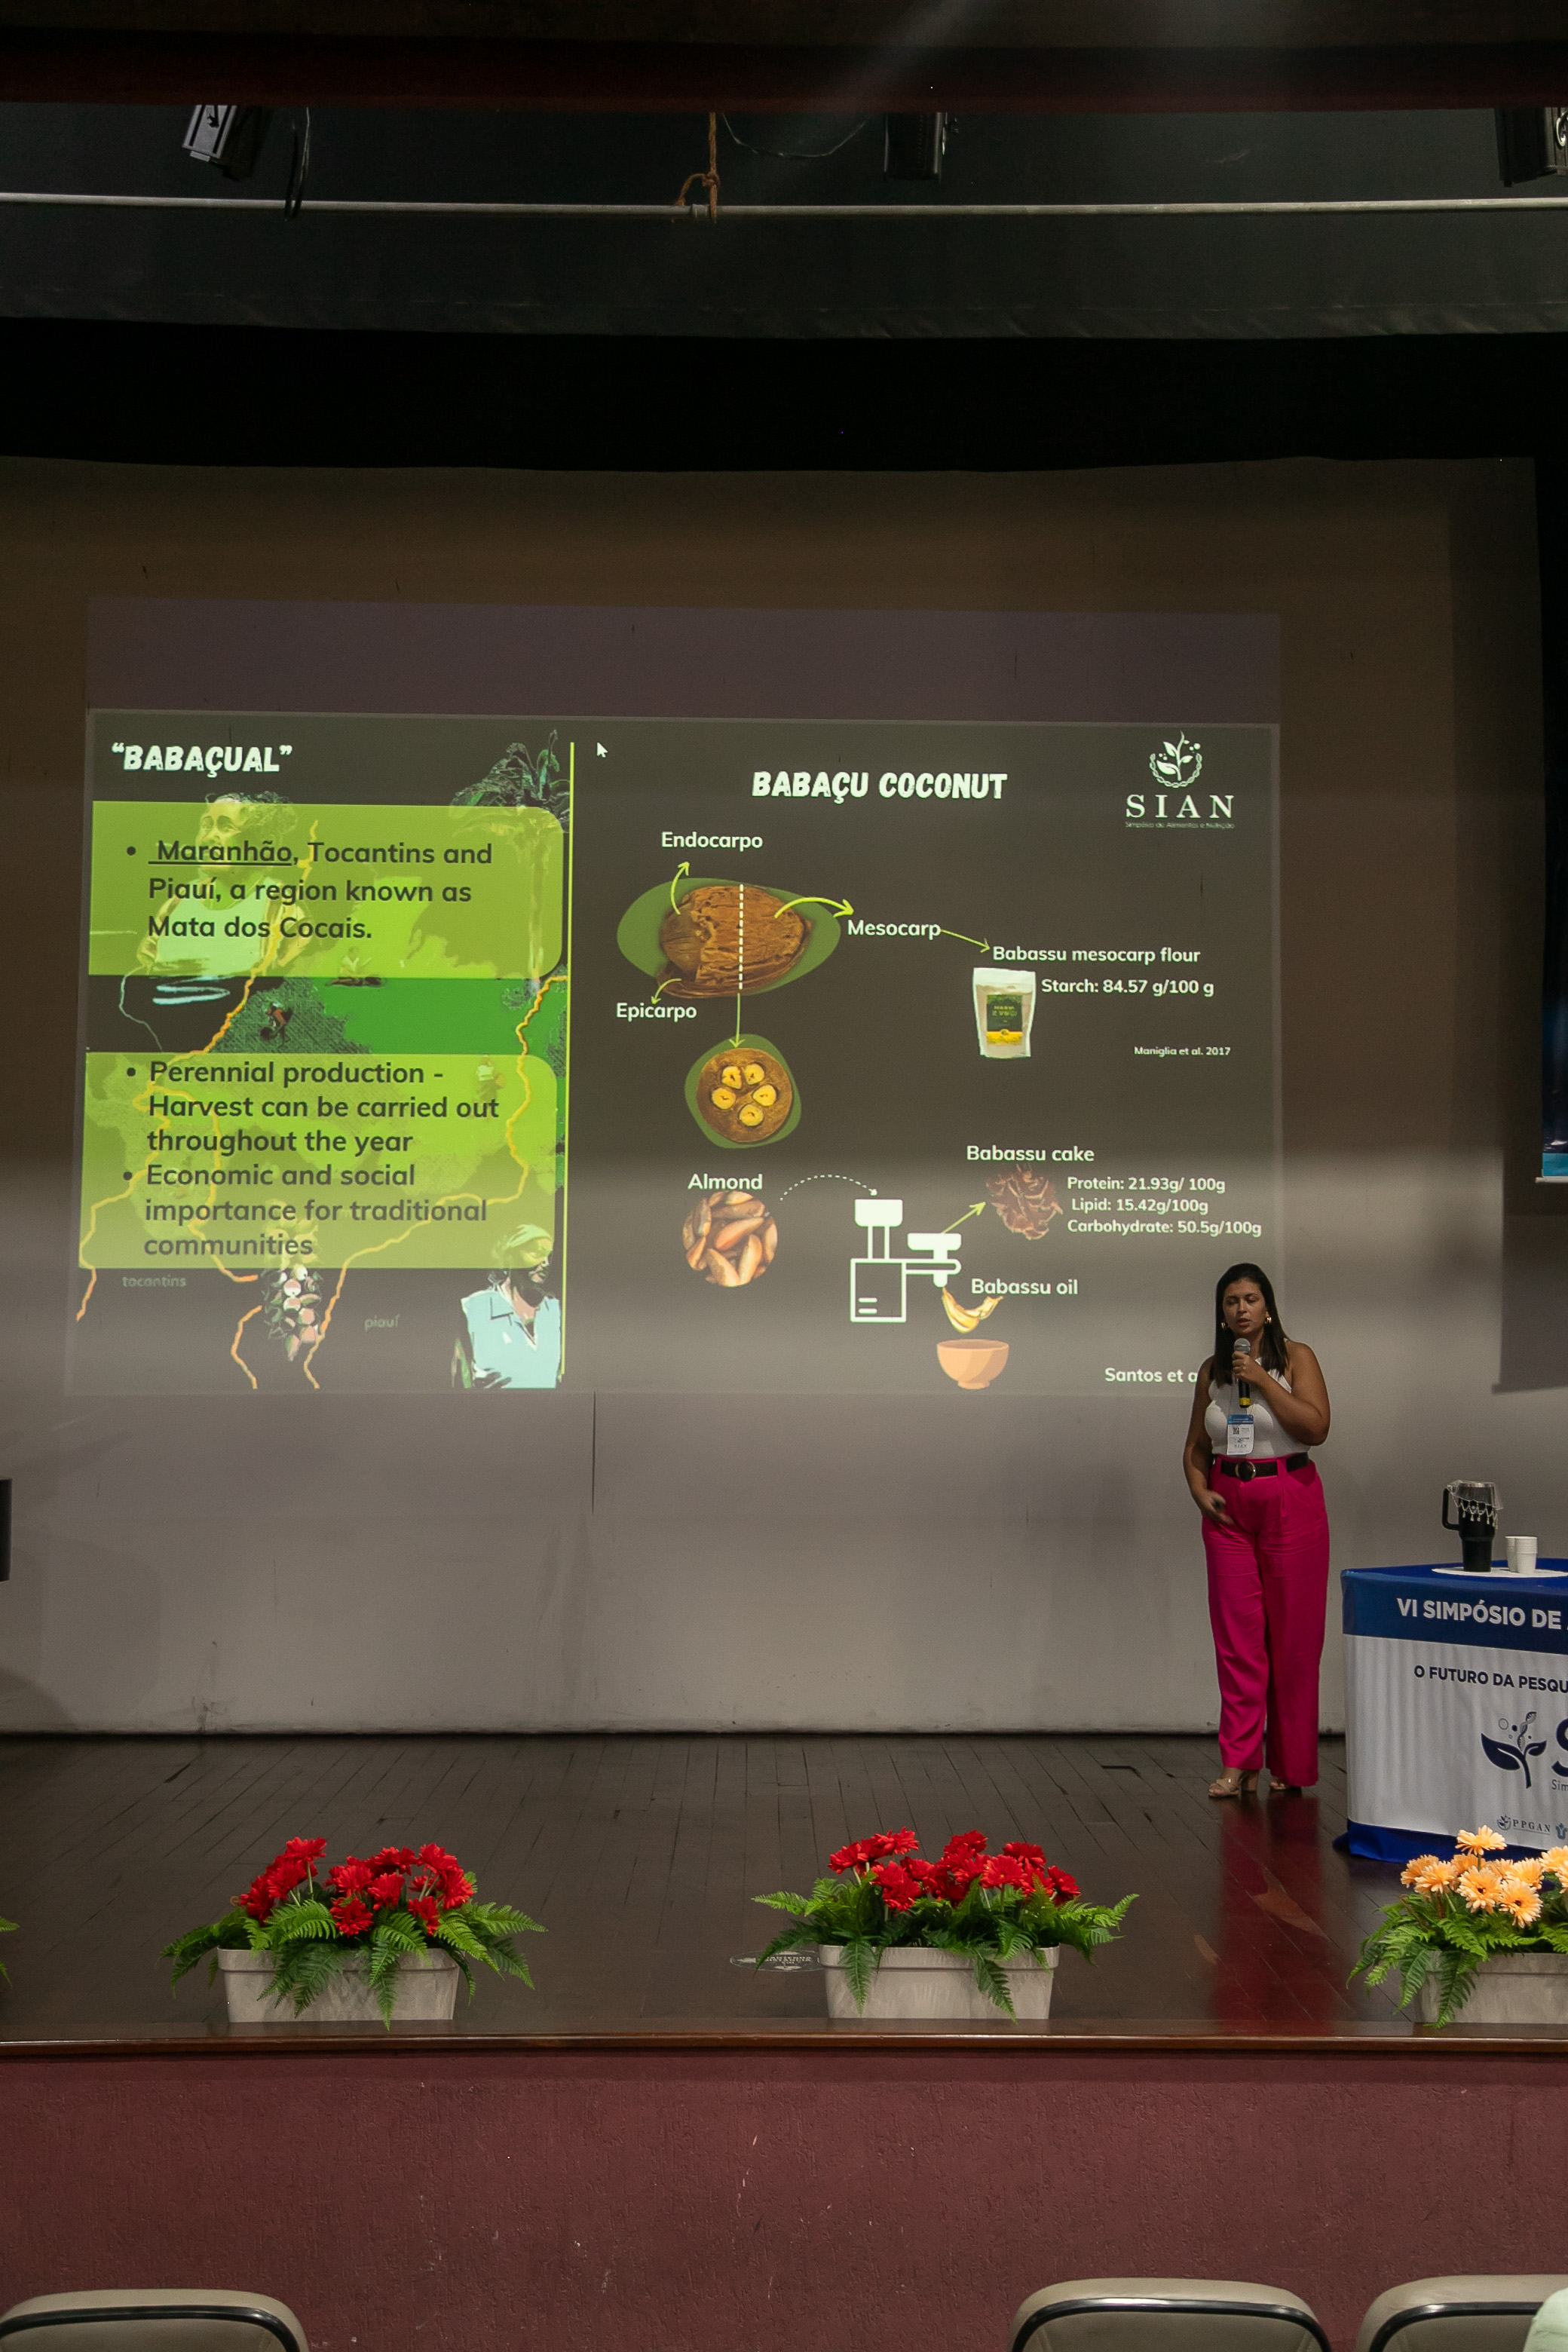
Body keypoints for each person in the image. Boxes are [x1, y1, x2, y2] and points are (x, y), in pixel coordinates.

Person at [1181, 1262, 1331, 1798]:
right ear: (1221, 1313)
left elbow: (1317, 1427)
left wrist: (1264, 1380)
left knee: (1293, 1642)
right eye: (1231, 1301)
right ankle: (1239, 1762)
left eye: (1250, 1299)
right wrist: (1199, 1490)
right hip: (1229, 1510)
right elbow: (1196, 1447)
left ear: (1268, 1307)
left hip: (1290, 1498)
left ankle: (1291, 1765)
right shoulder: (1212, 1370)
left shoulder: (1296, 1357)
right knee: (1237, 1641)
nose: (1241, 1309)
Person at [452, 1224, 562, 1390]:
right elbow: (459, 1380)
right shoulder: (473, 1308)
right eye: (537, 1253)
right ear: (511, 1257)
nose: (546, 1263)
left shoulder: (555, 1311)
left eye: (549, 1256)